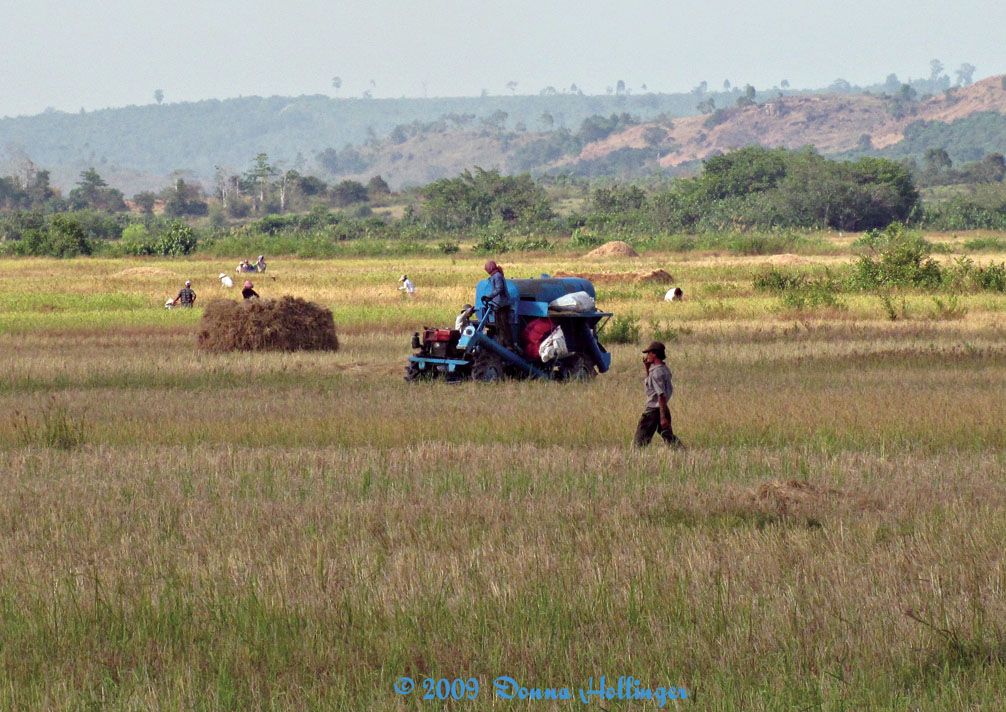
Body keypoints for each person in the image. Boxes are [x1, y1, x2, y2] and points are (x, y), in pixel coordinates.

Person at [633, 341, 683, 448]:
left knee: (639, 442)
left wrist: (663, 417)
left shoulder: (656, 373)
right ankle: (683, 453)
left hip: (653, 411)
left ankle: (637, 461)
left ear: (655, 354)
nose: (647, 356)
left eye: (649, 353)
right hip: (662, 408)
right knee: (669, 438)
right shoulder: (664, 369)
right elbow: (652, 387)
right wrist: (647, 368)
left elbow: (660, 395)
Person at [484, 260, 515, 351]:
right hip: (497, 305)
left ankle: (509, 345)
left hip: (502, 304)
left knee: (504, 325)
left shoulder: (497, 276)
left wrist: (489, 297)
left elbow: (499, 289)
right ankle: (501, 344)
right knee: (499, 326)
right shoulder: (495, 276)